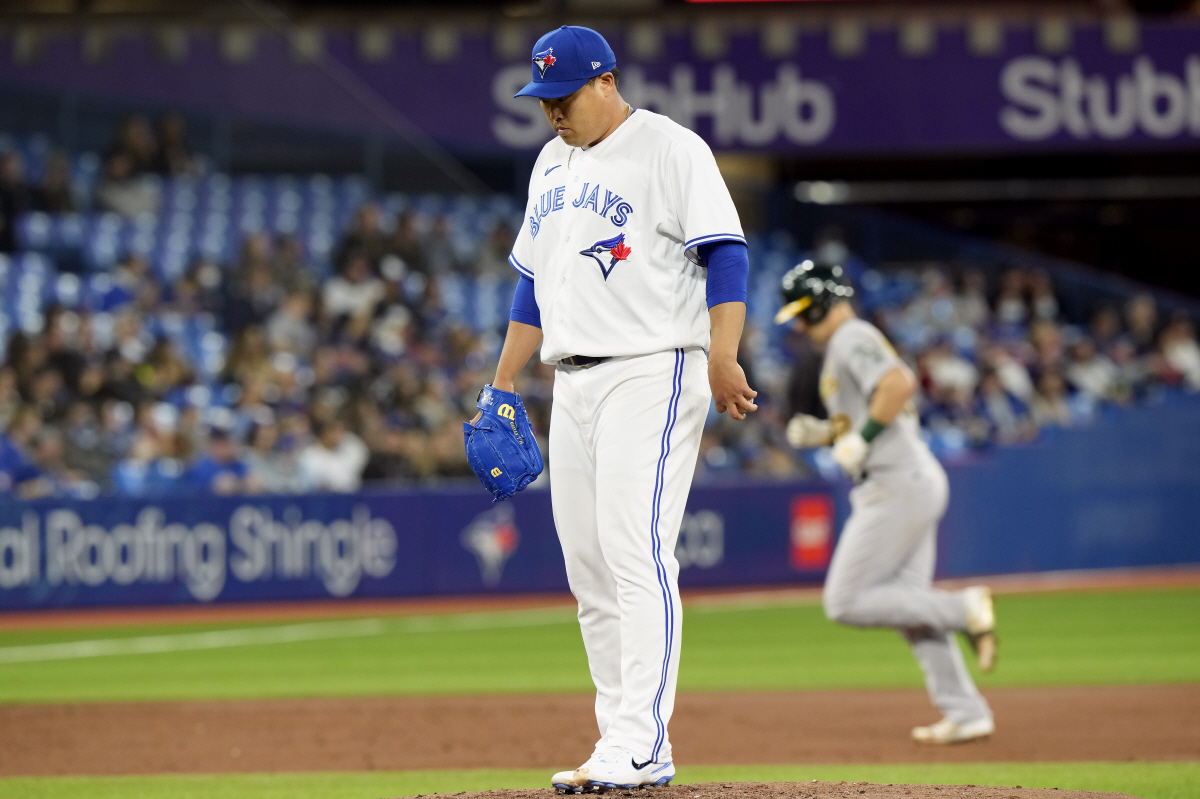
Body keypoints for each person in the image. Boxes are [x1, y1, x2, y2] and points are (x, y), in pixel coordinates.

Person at [480, 25, 756, 792]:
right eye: (543, 101)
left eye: (563, 98)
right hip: (571, 379)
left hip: (653, 367)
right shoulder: (550, 162)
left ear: (606, 81)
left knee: (636, 550)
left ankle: (645, 741)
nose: (552, 113)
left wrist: (724, 351)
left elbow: (726, 252)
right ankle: (619, 741)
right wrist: (501, 383)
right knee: (589, 567)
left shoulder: (671, 149)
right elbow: (531, 283)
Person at [779, 260, 997, 745]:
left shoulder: (850, 335)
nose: (798, 326)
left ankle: (963, 608)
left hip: (895, 483)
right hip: (903, 479)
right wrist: (827, 434)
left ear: (819, 304)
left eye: (801, 313)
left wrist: (861, 438)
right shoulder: (844, 343)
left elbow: (897, 384)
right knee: (909, 609)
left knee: (844, 601)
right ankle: (966, 712)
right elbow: (874, 408)